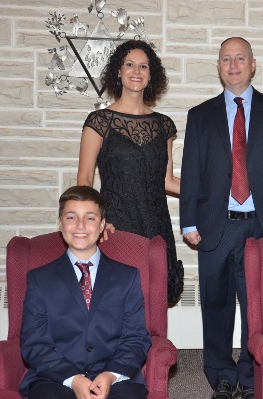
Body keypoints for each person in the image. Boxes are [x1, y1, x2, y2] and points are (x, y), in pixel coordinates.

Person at [179, 36, 263, 399]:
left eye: (240, 58)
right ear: (219, 67)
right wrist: (188, 222)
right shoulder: (199, 115)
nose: (233, 65)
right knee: (215, 304)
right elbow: (191, 173)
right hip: (214, 224)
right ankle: (221, 377)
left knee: (257, 307)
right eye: (226, 59)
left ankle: (251, 376)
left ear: (253, 65)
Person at [18, 185, 151, 399]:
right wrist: (74, 380)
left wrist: (110, 375)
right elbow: (34, 343)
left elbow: (136, 338)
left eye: (90, 218)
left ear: (102, 225)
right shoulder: (40, 279)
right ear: (60, 223)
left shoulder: (127, 277)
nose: (80, 226)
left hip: (114, 376)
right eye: (71, 217)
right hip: (55, 377)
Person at [77, 39, 183, 305]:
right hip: (116, 226)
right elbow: (85, 179)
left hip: (157, 226)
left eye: (144, 66)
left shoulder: (163, 125)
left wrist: (213, 191)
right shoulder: (99, 122)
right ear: (119, 71)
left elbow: (168, 181)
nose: (137, 71)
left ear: (151, 75)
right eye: (130, 64)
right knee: (117, 304)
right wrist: (96, 220)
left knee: (154, 303)